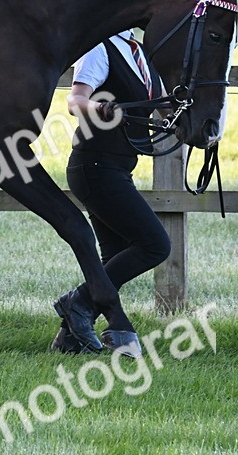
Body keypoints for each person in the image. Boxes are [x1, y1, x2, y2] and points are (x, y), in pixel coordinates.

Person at [51, 28, 172, 355]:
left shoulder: (141, 52)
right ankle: (77, 302)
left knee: (114, 257)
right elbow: (75, 101)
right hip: (94, 167)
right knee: (155, 244)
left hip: (116, 167)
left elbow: (164, 106)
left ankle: (70, 340)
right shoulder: (99, 46)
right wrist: (101, 111)